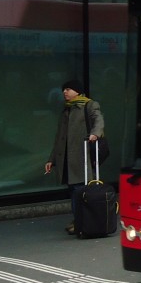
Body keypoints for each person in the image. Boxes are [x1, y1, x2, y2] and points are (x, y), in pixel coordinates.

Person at [45, 80, 105, 235]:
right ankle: (79, 220)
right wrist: (52, 160)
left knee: (81, 190)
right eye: (63, 89)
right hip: (67, 159)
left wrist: (95, 134)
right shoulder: (66, 110)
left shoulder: (89, 105)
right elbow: (59, 138)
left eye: (68, 89)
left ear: (77, 91)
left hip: (81, 156)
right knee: (74, 191)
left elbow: (98, 120)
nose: (64, 92)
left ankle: (82, 221)